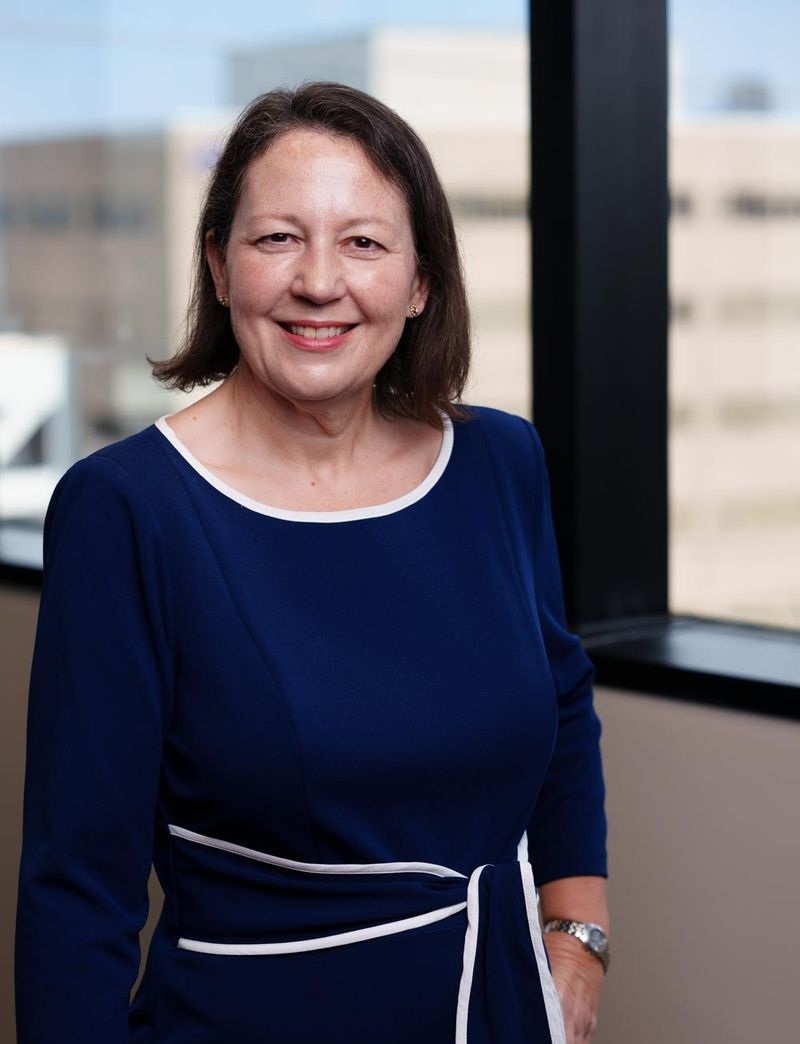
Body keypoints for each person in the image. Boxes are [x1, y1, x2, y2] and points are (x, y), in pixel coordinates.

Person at [15, 82, 609, 1044]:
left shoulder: (501, 464)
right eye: (277, 238)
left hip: (494, 1015)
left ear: (420, 282)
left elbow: (563, 703)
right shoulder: (128, 508)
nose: (319, 282)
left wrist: (578, 941)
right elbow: (76, 890)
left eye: (365, 242)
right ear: (219, 266)